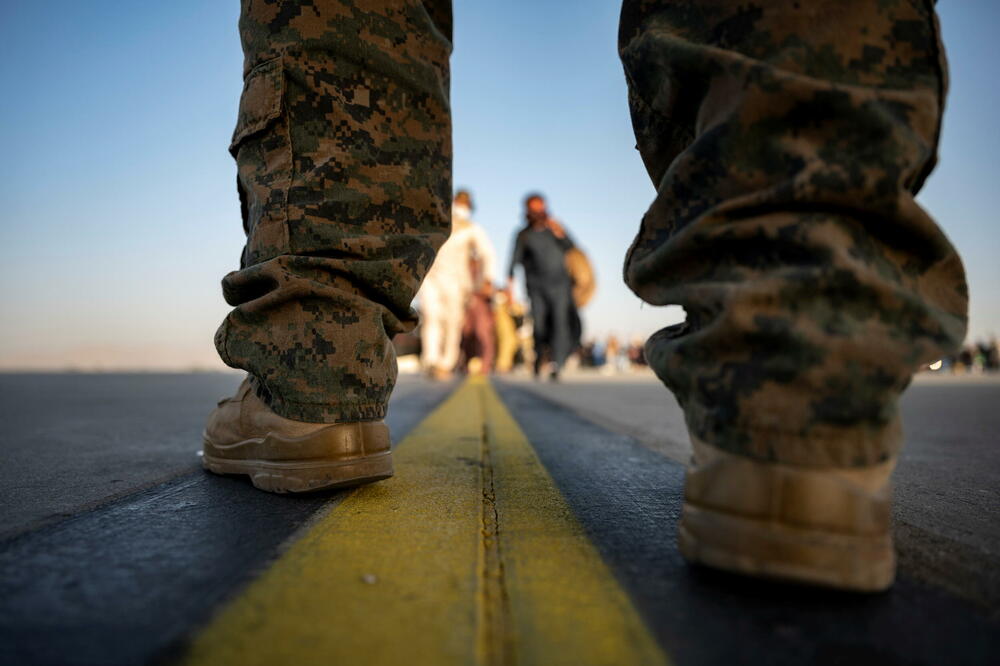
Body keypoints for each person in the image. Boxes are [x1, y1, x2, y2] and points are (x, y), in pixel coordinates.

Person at [202, 1, 967, 592]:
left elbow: (545, 261)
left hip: (539, 289)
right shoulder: (520, 233)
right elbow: (507, 255)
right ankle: (799, 389)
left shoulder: (545, 232)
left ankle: (315, 373)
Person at [417, 190, 497, 380]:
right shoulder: (435, 224)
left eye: (464, 204)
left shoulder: (472, 229)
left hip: (457, 282)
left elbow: (487, 254)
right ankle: (431, 360)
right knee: (431, 317)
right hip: (431, 278)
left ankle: (447, 362)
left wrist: (487, 279)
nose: (460, 207)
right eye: (458, 202)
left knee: (452, 322)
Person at [506, 194, 581, 381]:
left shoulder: (554, 230)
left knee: (560, 322)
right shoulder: (523, 235)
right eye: (534, 209)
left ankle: (558, 363)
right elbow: (513, 262)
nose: (538, 212)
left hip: (560, 286)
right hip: (536, 287)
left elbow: (571, 247)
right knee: (539, 324)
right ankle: (539, 359)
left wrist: (559, 231)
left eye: (541, 208)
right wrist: (510, 289)